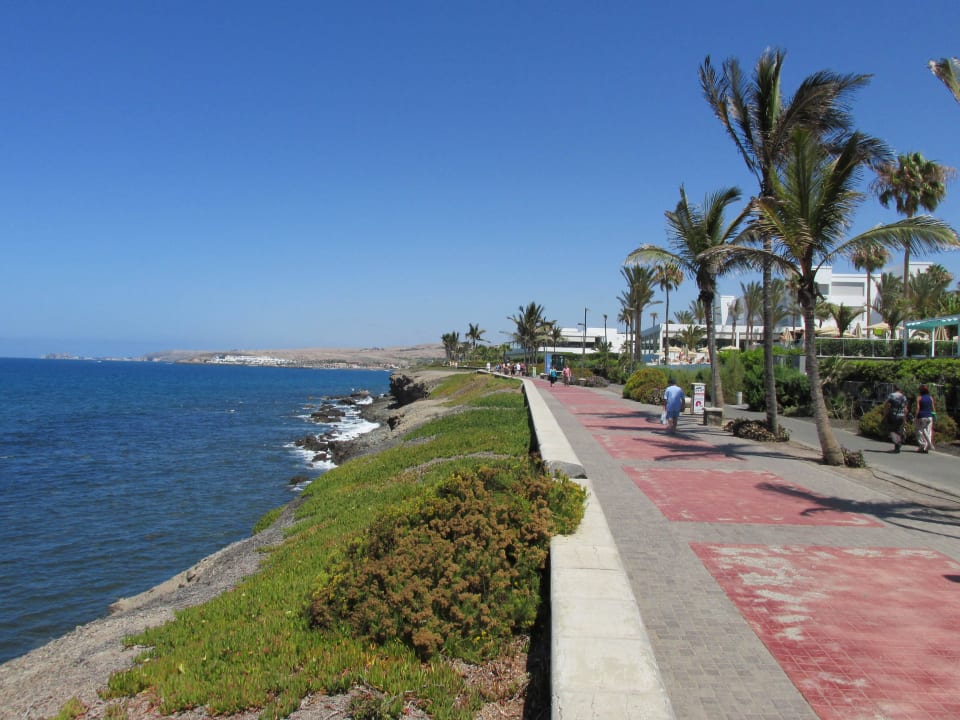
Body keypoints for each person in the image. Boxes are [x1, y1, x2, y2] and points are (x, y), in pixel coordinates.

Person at [883, 384, 908, 453]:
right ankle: (897, 446)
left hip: (893, 415)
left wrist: (885, 414)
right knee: (899, 430)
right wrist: (905, 418)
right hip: (901, 416)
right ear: (900, 389)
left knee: (892, 430)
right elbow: (906, 409)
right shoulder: (904, 397)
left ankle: (898, 443)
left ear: (894, 388)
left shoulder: (891, 395)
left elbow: (886, 405)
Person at [915, 384, 936, 454]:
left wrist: (916, 416)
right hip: (929, 416)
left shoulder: (919, 398)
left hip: (922, 416)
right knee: (928, 431)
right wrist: (934, 415)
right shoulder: (931, 398)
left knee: (919, 431)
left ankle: (922, 445)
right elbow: (933, 408)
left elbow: (918, 408)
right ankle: (927, 447)